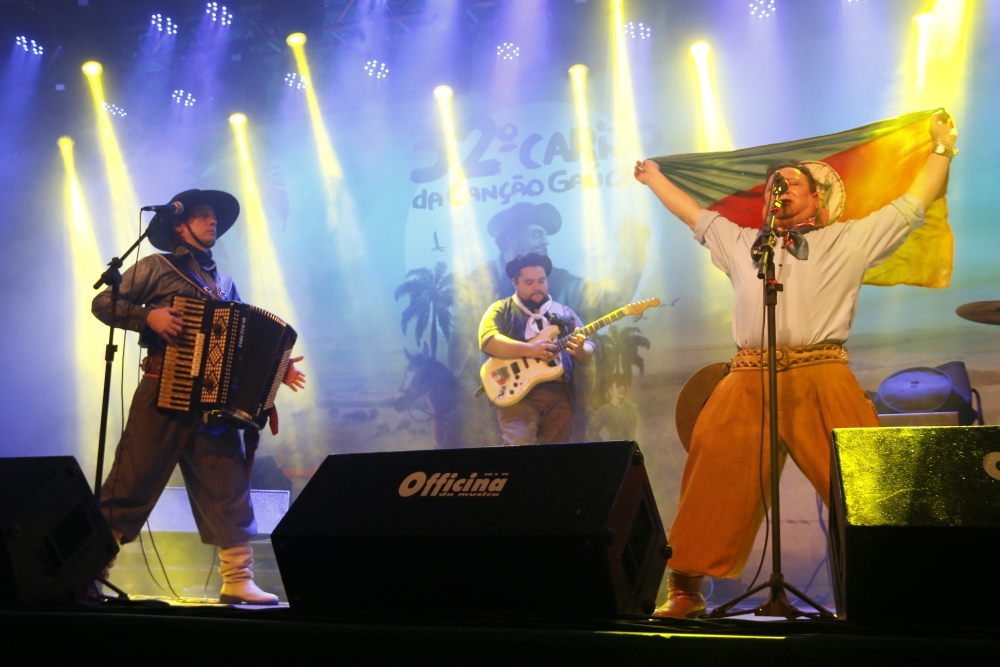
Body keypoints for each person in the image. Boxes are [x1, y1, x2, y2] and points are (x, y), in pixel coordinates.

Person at [633, 111, 958, 618]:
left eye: (789, 184)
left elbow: (912, 206)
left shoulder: (849, 239)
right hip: (748, 374)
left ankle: (893, 586)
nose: (777, 191)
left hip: (822, 370)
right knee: (712, 471)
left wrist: (941, 150)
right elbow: (693, 214)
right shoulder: (743, 243)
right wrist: (653, 177)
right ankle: (685, 590)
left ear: (817, 196)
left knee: (864, 481)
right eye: (771, 187)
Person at [91, 189, 306, 605]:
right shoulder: (156, 266)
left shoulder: (224, 283)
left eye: (215, 219)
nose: (213, 223)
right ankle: (88, 573)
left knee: (227, 488)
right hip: (162, 389)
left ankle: (237, 579)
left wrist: (277, 369)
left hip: (211, 402)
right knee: (129, 483)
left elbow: (241, 341)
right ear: (179, 224)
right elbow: (103, 302)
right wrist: (147, 317)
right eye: (204, 216)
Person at [478, 252, 596, 446]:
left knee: (556, 457)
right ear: (515, 282)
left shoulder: (563, 312)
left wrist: (581, 350)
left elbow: (588, 348)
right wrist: (531, 349)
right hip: (517, 395)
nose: (537, 287)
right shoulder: (501, 309)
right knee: (519, 448)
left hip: (560, 393)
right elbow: (488, 340)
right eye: (529, 282)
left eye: (541, 281)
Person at [586, 374, 638, 442]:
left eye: (625, 385)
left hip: (631, 449)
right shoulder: (605, 410)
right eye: (618, 386)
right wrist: (606, 447)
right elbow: (591, 430)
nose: (623, 388)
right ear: (610, 391)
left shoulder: (630, 408)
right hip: (615, 449)